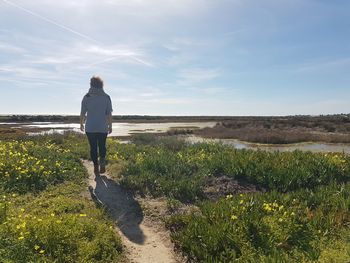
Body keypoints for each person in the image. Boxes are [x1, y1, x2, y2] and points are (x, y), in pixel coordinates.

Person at [80, 76, 113, 174]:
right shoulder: (106, 97)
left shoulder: (87, 97)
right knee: (102, 146)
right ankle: (102, 163)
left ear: (91, 84)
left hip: (90, 127)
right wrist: (110, 126)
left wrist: (81, 124)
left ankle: (95, 166)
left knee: (93, 147)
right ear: (101, 84)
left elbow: (82, 113)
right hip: (102, 127)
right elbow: (109, 114)